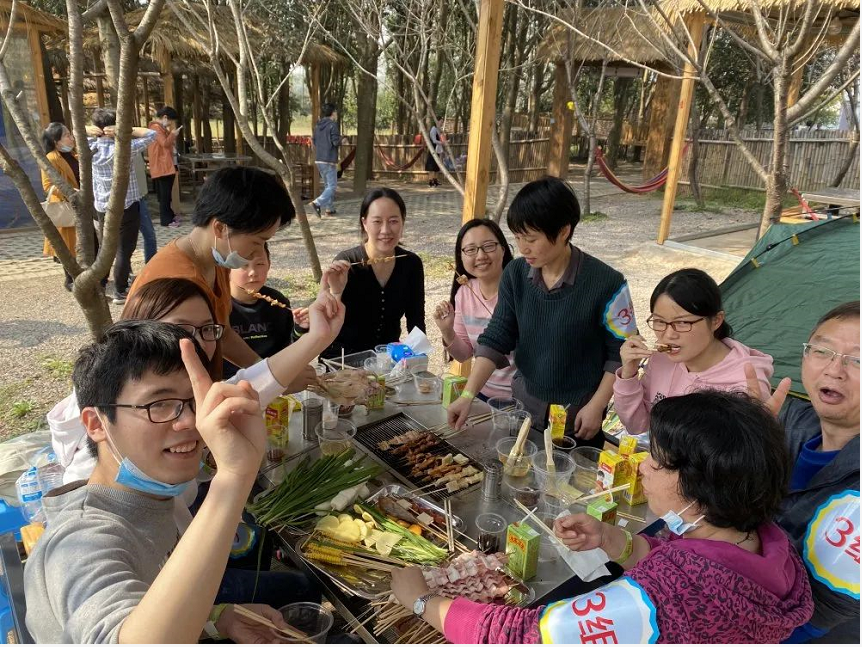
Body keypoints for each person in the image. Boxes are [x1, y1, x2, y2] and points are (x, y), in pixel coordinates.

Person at [391, 390, 814, 643]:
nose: (644, 466)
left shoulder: (675, 589)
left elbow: (523, 636)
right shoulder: (767, 542)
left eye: (659, 461)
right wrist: (613, 541)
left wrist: (423, 599)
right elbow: (689, 561)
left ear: (702, 488)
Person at [23, 312, 339, 642]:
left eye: (194, 402)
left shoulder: (158, 487)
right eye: (158, 404)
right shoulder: (81, 541)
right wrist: (233, 477)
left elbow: (251, 386)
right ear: (96, 424)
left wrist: (219, 619)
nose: (189, 420)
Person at [447, 177, 636, 448]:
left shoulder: (607, 283)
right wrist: (467, 395)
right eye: (518, 237)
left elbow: (621, 351)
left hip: (578, 413)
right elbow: (497, 336)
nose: (523, 248)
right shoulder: (516, 273)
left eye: (531, 239)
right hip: (524, 405)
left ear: (563, 232)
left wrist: (597, 405)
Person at [128, 166, 309, 380]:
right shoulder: (177, 282)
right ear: (220, 228)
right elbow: (168, 376)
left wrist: (264, 372)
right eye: (256, 242)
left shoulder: (216, 261)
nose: (258, 253)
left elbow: (222, 333)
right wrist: (273, 379)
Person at [747, 301, 860, 643]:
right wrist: (748, 441)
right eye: (822, 350)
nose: (834, 370)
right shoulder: (790, 419)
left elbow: (827, 610)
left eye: (857, 359)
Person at [613, 268, 774, 434]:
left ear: (716, 321)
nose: (668, 335)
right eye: (659, 321)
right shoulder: (661, 359)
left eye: (682, 323)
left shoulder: (746, 382)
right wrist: (629, 375)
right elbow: (637, 426)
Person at [322, 187, 425, 358]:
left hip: (386, 360)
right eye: (377, 221)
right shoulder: (347, 263)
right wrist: (334, 292)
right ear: (364, 223)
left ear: (403, 222)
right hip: (343, 360)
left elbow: (416, 320)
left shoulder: (411, 263)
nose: (385, 230)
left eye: (393, 221)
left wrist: (417, 359)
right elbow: (328, 318)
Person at [432, 219, 515, 400]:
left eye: (489, 246)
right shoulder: (464, 292)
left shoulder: (520, 290)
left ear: (503, 248)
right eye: (471, 250)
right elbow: (464, 355)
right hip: (482, 393)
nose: (480, 256)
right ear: (461, 256)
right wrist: (447, 331)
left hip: (522, 400)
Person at [88, 108, 157, 304]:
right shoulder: (124, 146)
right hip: (127, 206)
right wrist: (123, 130)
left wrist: (92, 130)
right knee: (124, 249)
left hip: (102, 207)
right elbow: (152, 134)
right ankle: (120, 290)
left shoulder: (90, 145)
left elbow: (77, 132)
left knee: (106, 247)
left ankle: (100, 284)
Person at [224, 243, 307, 379]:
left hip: (274, 378)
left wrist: (300, 328)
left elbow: (290, 350)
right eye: (244, 265)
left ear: (269, 265)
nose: (253, 272)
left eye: (260, 264)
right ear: (226, 269)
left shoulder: (278, 302)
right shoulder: (218, 304)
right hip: (230, 381)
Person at [40, 122, 79, 292]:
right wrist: (71, 192)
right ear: (56, 141)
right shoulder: (51, 158)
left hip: (79, 204)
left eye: (70, 134)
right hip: (65, 206)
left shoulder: (73, 154)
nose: (71, 137)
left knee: (80, 243)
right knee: (67, 246)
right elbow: (48, 186)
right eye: (67, 135)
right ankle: (69, 279)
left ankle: (80, 276)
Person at [147, 106, 181, 228]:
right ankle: (166, 220)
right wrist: (173, 134)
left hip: (164, 165)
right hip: (163, 166)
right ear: (165, 117)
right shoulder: (156, 128)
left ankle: (170, 216)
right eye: (170, 121)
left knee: (165, 194)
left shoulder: (158, 128)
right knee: (165, 195)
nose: (170, 123)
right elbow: (165, 143)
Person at [310, 102, 341, 217]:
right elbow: (335, 142)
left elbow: (314, 141)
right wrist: (343, 139)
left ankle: (330, 208)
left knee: (328, 185)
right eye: (336, 112)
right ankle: (317, 203)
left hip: (319, 160)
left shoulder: (318, 125)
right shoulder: (333, 125)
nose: (336, 114)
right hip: (329, 160)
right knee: (332, 186)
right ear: (333, 113)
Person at [133, 152, 157, 263]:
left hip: (140, 198)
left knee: (150, 235)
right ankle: (126, 274)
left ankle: (151, 266)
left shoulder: (136, 147)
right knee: (126, 243)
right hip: (125, 202)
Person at [425, 117, 444, 187]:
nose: (442, 123)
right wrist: (442, 142)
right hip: (433, 149)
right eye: (441, 122)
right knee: (431, 166)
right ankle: (430, 182)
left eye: (442, 122)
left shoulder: (438, 129)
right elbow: (434, 141)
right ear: (437, 121)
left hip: (437, 149)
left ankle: (435, 181)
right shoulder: (433, 129)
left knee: (436, 166)